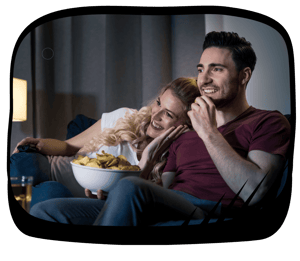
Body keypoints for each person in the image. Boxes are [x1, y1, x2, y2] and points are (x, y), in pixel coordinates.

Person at [30, 31, 291, 226]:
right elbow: (162, 190)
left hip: (209, 211)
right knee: (47, 211)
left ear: (244, 75)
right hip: (166, 205)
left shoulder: (268, 122)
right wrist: (122, 188)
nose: (205, 79)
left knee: (130, 187)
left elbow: (254, 191)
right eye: (201, 69)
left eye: (217, 69)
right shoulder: (183, 133)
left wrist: (209, 133)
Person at [12, 77, 200, 202]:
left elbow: (131, 200)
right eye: (158, 103)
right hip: (49, 166)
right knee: (24, 164)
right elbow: (69, 146)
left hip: (68, 195)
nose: (156, 115)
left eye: (168, 114)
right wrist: (39, 143)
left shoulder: (172, 163)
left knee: (52, 193)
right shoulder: (124, 116)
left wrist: (148, 162)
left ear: (186, 125)